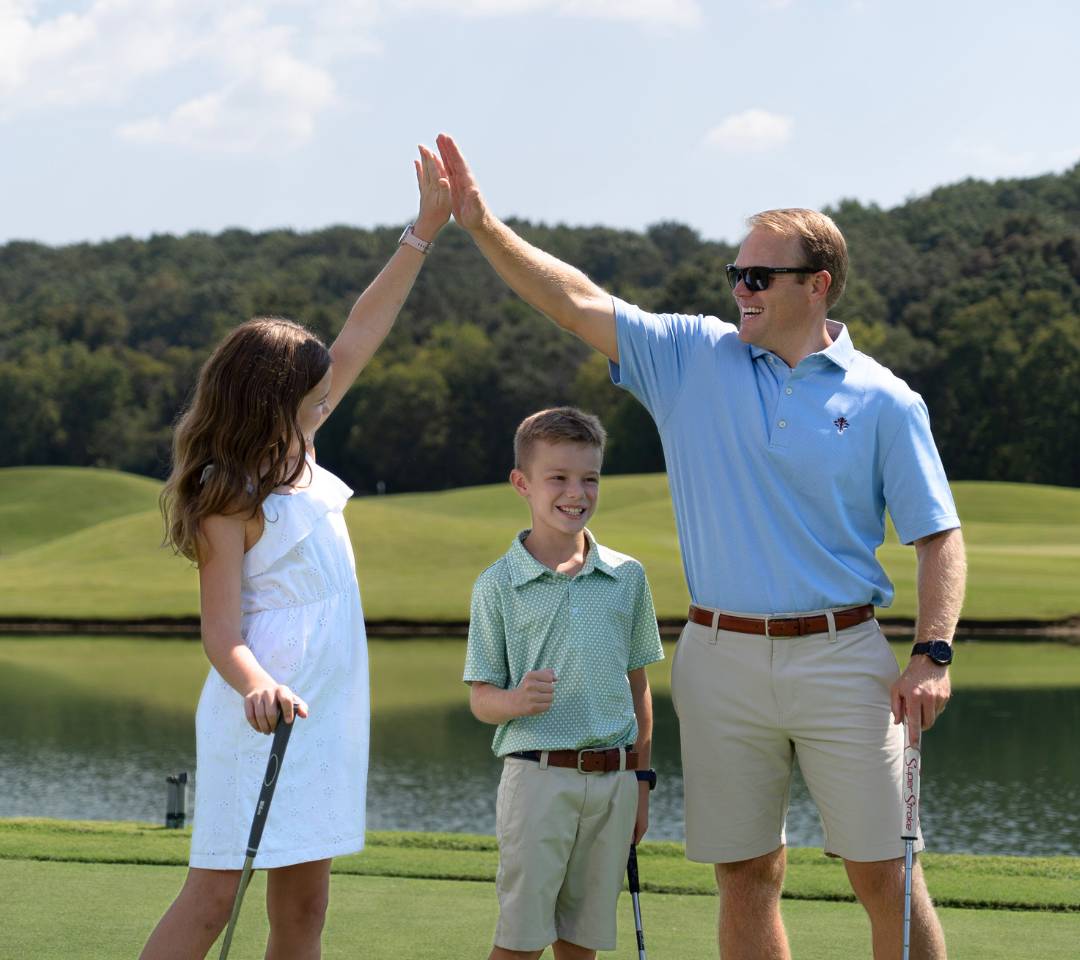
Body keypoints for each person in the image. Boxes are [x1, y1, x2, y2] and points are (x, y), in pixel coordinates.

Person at [437, 133, 966, 960]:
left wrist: (932, 654)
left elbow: (939, 537)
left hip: (844, 657)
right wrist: (480, 224)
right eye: (735, 275)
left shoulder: (887, 403)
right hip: (719, 656)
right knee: (747, 873)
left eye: (758, 277)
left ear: (816, 285)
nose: (740, 290)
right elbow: (573, 299)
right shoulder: (692, 356)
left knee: (885, 876)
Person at [139, 145, 451, 960]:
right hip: (265, 711)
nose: (328, 389)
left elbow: (363, 327)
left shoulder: (301, 443)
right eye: (313, 384)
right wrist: (256, 686)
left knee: (305, 906)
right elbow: (221, 632)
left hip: (329, 709)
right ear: (271, 397)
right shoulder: (226, 490)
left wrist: (422, 231)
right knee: (213, 897)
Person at [464, 407, 665, 960]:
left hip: (616, 784)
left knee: (582, 944)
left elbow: (638, 689)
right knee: (521, 943)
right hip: (537, 782)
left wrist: (642, 784)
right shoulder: (497, 584)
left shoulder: (627, 576)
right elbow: (481, 697)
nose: (576, 492)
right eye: (558, 478)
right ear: (522, 483)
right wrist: (514, 700)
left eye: (589, 478)